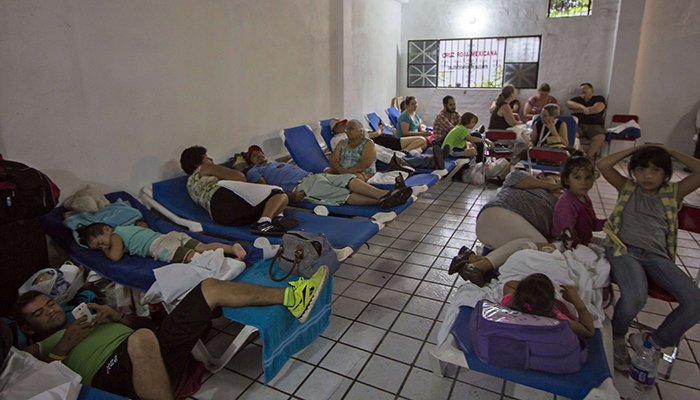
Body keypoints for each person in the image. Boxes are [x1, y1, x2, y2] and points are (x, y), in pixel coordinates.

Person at [13, 266, 330, 399]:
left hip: (152, 351)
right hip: (112, 373)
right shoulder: (39, 349)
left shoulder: (92, 316)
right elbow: (25, 383)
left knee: (208, 287)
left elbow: (145, 329)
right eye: (40, 314)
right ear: (28, 329)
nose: (51, 311)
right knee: (141, 341)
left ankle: (294, 297)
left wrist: (118, 318)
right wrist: (62, 348)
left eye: (50, 304)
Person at [597, 144, 700, 372]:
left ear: (666, 172)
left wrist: (671, 151)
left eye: (655, 170)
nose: (647, 176)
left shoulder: (673, 192)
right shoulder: (627, 187)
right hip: (624, 251)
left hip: (657, 257)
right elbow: (603, 164)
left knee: (695, 302)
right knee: (635, 297)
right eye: (641, 169)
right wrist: (636, 150)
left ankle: (651, 342)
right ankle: (616, 335)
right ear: (634, 171)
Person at [449, 170, 562, 287]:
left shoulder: (558, 202)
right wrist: (550, 186)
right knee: (539, 243)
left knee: (540, 248)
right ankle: (479, 266)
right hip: (498, 215)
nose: (559, 186)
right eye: (556, 180)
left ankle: (471, 258)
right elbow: (514, 177)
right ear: (542, 176)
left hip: (511, 235)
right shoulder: (524, 177)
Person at [246, 145, 413, 209]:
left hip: (314, 177)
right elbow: (265, 189)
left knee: (350, 179)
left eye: (260, 152)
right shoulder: (254, 171)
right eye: (254, 156)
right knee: (343, 195)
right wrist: (289, 196)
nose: (259, 155)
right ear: (250, 163)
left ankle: (386, 195)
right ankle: (383, 199)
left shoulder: (276, 163)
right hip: (302, 187)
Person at [180, 146, 298, 237]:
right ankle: (265, 222)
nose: (211, 160)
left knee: (274, 198)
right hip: (226, 200)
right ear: (197, 163)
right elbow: (239, 177)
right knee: (278, 193)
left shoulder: (189, 184)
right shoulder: (203, 168)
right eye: (207, 158)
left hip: (222, 217)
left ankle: (273, 221)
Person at [76, 221, 247, 263]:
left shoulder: (115, 236)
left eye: (101, 242)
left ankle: (223, 263)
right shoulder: (126, 227)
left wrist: (106, 251)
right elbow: (142, 225)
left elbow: (115, 256)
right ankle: (231, 249)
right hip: (170, 236)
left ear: (107, 229)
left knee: (193, 257)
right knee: (203, 247)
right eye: (99, 247)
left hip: (160, 246)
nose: (103, 246)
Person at [503, 273, 595, 339]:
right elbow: (588, 331)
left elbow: (509, 284)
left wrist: (528, 288)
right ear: (551, 303)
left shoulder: (509, 304)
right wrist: (577, 301)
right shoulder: (557, 319)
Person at [329, 119, 441, 170]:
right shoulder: (336, 140)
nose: (345, 127)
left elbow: (365, 138)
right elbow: (341, 154)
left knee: (396, 157)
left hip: (376, 149)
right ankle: (431, 162)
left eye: (348, 127)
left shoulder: (351, 134)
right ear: (335, 129)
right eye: (341, 125)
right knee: (395, 161)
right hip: (368, 157)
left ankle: (432, 159)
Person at [552, 156, 606, 247]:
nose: (583, 182)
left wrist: (609, 223)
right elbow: (566, 235)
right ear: (566, 180)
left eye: (588, 177)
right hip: (568, 246)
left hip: (584, 242)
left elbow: (592, 224)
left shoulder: (584, 198)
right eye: (577, 178)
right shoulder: (568, 203)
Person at [565, 83, 606, 158]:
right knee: (571, 135)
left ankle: (589, 157)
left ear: (591, 89)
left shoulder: (598, 98)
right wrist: (583, 107)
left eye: (584, 88)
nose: (582, 91)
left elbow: (597, 109)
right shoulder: (577, 100)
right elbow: (568, 104)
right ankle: (583, 155)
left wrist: (578, 110)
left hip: (594, 126)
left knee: (600, 137)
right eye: (581, 89)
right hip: (578, 125)